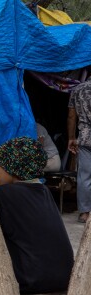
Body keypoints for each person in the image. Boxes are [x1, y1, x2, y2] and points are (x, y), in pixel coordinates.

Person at [0, 137, 74, 293]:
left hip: (31, 279)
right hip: (64, 276)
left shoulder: (3, 193)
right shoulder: (44, 191)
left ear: (12, 167)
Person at [68, 80, 91, 222]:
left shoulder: (77, 89)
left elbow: (72, 116)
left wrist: (71, 137)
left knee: (84, 176)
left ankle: (84, 213)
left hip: (85, 138)